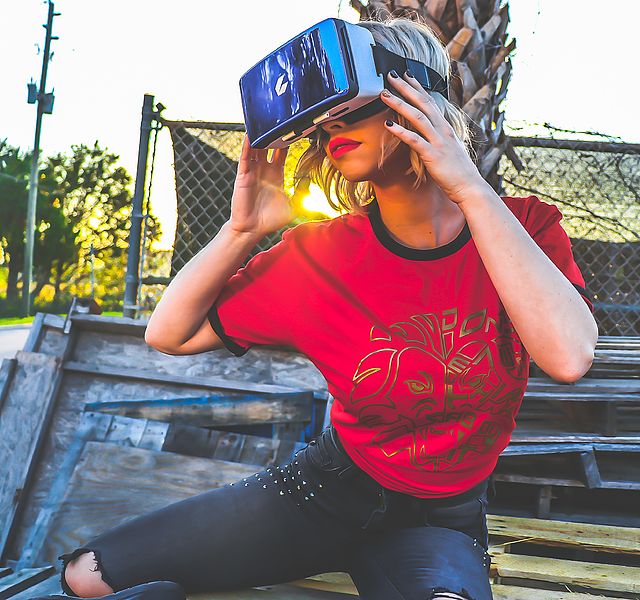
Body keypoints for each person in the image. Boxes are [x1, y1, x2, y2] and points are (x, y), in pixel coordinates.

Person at [47, 15, 597, 600]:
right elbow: (169, 334)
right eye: (321, 113)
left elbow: (567, 356)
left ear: (417, 98)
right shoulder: (319, 254)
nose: (332, 123)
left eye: (352, 101)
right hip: (323, 491)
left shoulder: (527, 228)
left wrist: (469, 188)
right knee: (87, 578)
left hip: (436, 520)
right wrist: (242, 229)